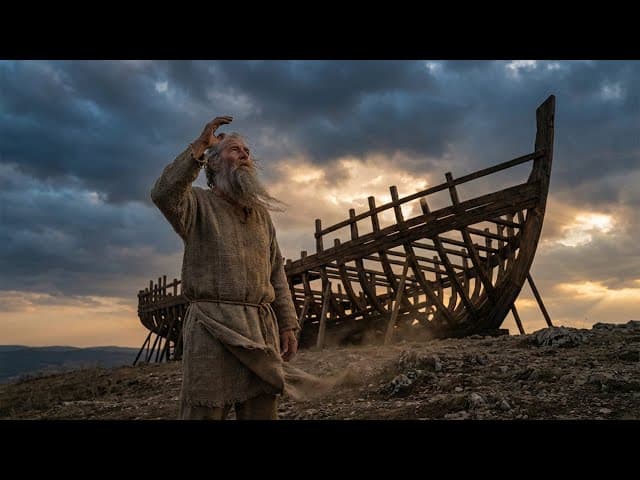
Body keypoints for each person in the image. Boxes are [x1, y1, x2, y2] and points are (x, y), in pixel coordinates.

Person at [151, 115, 300, 420]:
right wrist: (199, 145)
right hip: (212, 326)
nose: (244, 154)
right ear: (215, 162)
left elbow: (276, 272)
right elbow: (163, 193)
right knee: (205, 411)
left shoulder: (261, 215)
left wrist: (287, 324)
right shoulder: (196, 205)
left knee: (261, 411)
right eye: (235, 149)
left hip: (259, 328)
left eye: (247, 151)